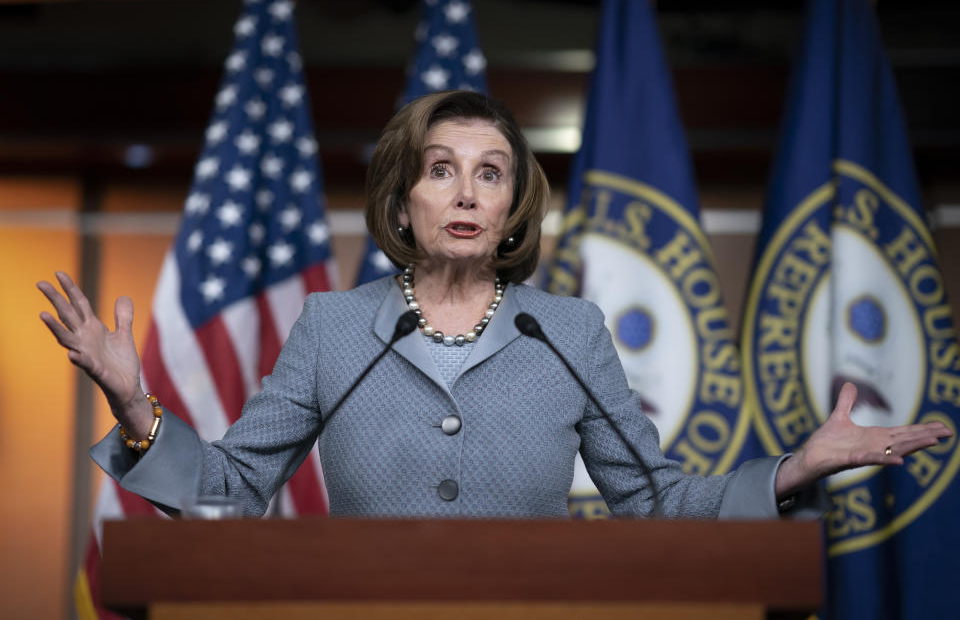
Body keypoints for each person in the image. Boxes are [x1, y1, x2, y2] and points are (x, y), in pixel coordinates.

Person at [38, 91, 951, 519]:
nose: (468, 194)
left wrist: (792, 468)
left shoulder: (567, 332)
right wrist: (135, 407)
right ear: (404, 203)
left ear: (513, 206)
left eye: (491, 175)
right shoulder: (333, 327)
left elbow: (657, 499)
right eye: (442, 171)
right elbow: (232, 490)